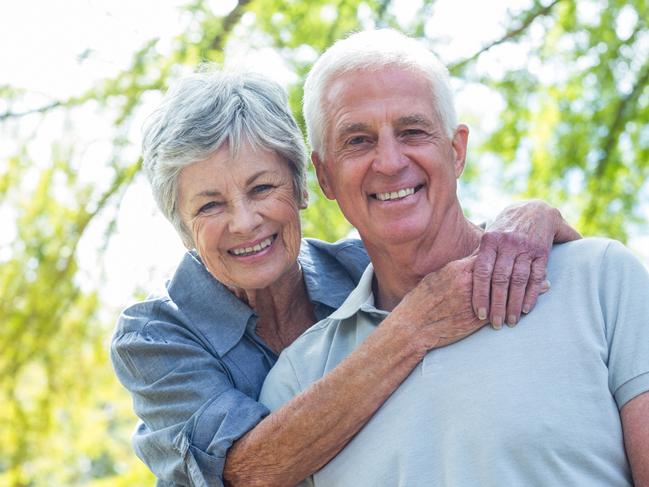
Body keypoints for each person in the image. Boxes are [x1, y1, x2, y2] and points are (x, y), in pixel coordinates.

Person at [110, 66, 579, 487]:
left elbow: (470, 247)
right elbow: (246, 473)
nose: (245, 221)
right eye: (211, 205)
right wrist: (411, 328)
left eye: (262, 188)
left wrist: (529, 217)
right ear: (181, 226)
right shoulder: (154, 335)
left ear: (303, 189)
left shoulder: (362, 268)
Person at [259, 28, 649, 487]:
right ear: (324, 177)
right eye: (358, 140)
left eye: (412, 131)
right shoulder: (298, 381)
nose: (389, 162)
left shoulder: (599, 280)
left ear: (457, 150)